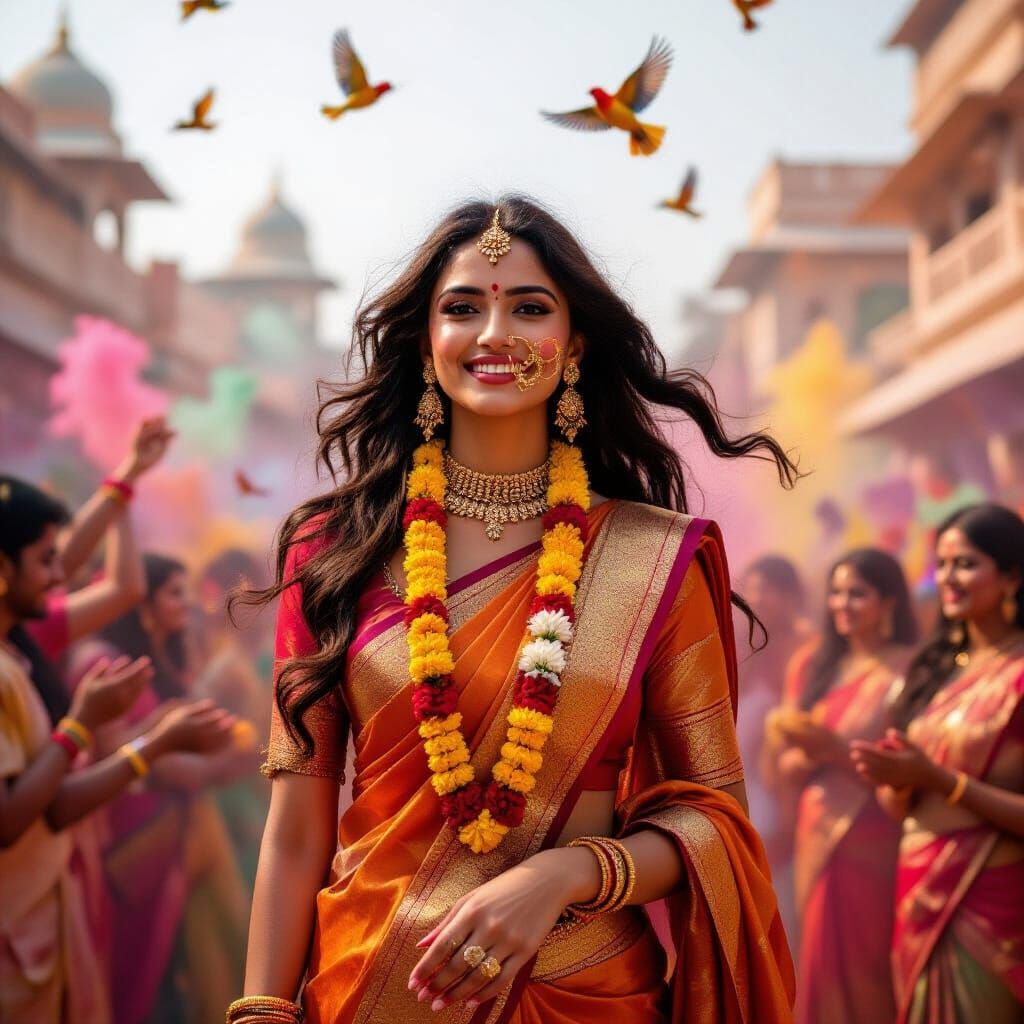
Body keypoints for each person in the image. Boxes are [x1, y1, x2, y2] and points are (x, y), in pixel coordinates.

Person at [234, 196, 797, 1024]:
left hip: (587, 987)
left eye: (528, 307)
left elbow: (712, 821)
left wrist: (567, 873)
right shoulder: (332, 551)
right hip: (371, 988)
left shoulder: (653, 559)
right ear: (427, 345)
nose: (494, 331)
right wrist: (260, 1012)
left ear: (573, 346)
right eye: (462, 307)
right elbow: (294, 831)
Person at [0, 475, 234, 1023]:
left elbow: (51, 806)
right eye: (45, 561)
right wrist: (84, 727)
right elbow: (13, 817)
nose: (62, 576)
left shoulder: (19, 650)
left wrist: (154, 743)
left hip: (48, 913)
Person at [851, 503, 1024, 1023]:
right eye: (942, 564)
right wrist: (896, 781)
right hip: (915, 888)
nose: (948, 577)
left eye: (966, 563)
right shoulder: (930, 676)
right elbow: (898, 808)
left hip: (991, 899)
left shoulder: (1019, 673)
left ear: (1013, 576)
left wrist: (939, 780)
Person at [70, 553, 255, 1024]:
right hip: (133, 846)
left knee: (185, 976)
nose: (188, 603)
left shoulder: (160, 655)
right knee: (145, 986)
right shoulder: (107, 665)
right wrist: (236, 759)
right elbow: (145, 762)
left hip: (175, 839)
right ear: (141, 602)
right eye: (175, 591)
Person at [765, 549, 918, 1023]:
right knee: (816, 958)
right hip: (814, 832)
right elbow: (779, 766)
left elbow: (913, 765)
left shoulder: (910, 670)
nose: (842, 604)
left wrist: (833, 749)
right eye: (836, 592)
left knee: (870, 967)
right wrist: (795, 758)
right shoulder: (814, 666)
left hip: (876, 836)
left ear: (889, 601)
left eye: (857, 593)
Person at [735, 554, 814, 942]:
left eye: (768, 588)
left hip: (782, 794)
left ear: (789, 595)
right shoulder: (744, 640)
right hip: (742, 788)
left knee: (781, 911)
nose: (758, 596)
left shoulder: (804, 649)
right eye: (752, 586)